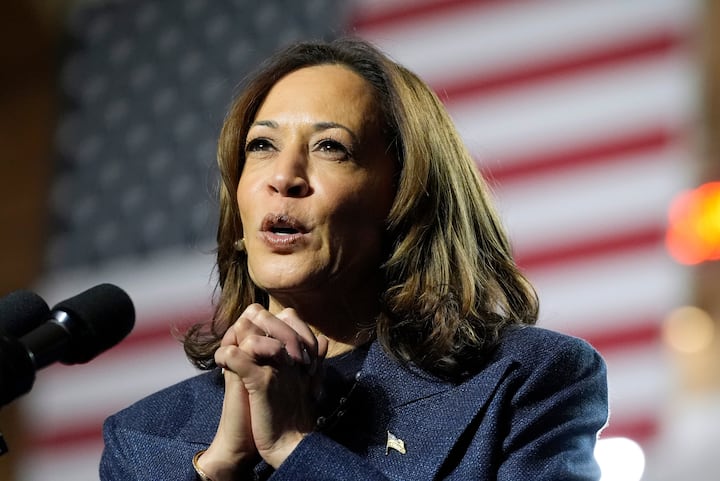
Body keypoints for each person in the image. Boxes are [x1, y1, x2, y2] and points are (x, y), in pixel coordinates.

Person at [100, 37, 608, 480]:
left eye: (330, 147)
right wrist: (220, 470)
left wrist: (297, 450)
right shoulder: (145, 440)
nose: (285, 176)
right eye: (261, 146)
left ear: (407, 197)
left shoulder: (525, 381)